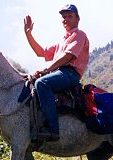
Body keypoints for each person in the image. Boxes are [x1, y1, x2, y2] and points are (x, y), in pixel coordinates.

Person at [24, 4, 90, 141]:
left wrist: (46, 70)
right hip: (59, 72)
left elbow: (68, 56)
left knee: (42, 83)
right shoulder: (62, 40)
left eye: (70, 16)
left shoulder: (79, 35)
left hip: (70, 74)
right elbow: (40, 52)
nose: (66, 19)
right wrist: (28, 34)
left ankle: (53, 129)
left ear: (78, 19)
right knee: (31, 83)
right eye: (64, 17)